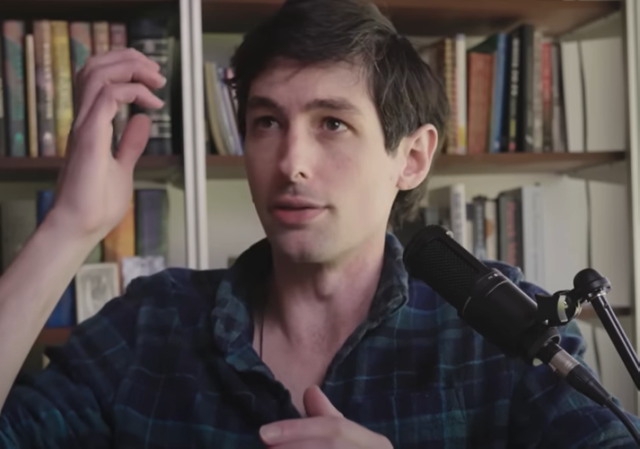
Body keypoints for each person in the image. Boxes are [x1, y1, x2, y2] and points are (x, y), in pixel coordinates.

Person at [0, 0, 638, 447]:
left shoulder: (503, 327)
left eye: (332, 123)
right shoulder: (151, 325)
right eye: (267, 122)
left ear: (412, 158)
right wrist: (70, 226)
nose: (290, 163)